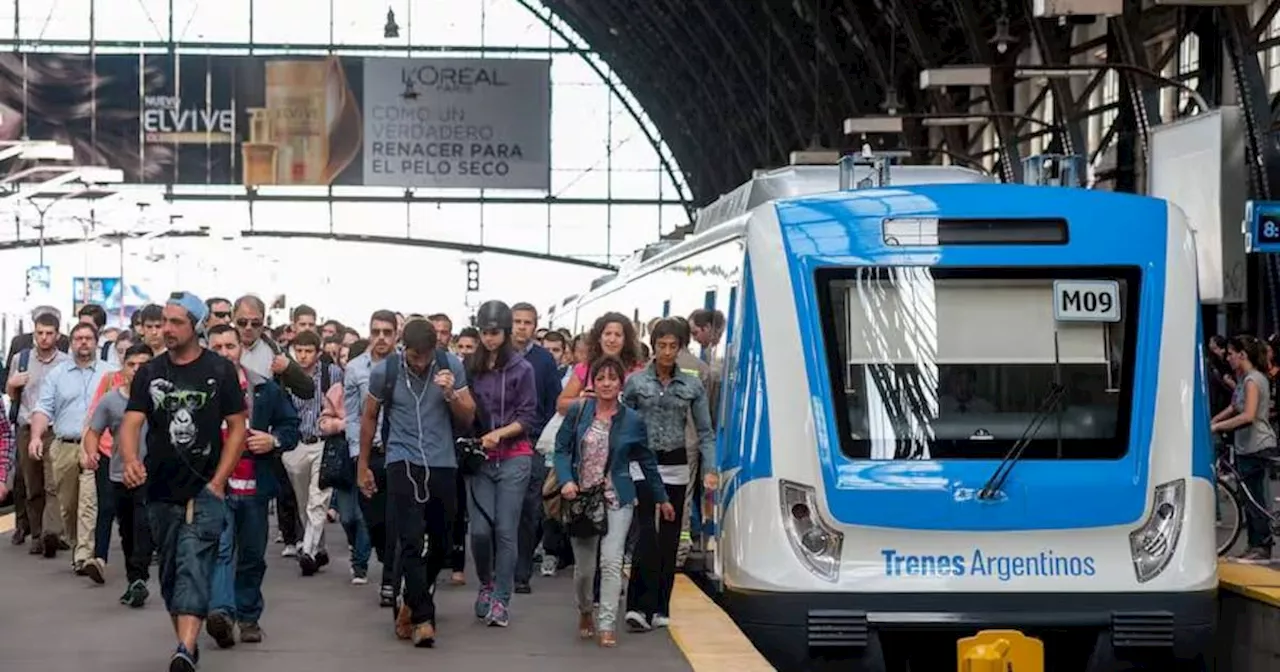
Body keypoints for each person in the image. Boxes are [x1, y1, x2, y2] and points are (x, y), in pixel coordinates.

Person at [118, 292, 247, 672]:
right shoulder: (150, 372)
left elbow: (238, 427)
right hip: (159, 488)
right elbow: (131, 421)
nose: (167, 330)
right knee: (172, 574)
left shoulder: (220, 371)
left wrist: (220, 481)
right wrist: (128, 460)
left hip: (204, 488)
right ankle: (184, 644)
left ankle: (186, 649)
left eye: (176, 323)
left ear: (196, 326)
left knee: (194, 563)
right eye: (164, 322)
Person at [358, 318, 475, 647]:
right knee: (409, 539)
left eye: (425, 356)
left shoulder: (451, 365)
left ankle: (410, 600)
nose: (420, 363)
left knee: (441, 541)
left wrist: (451, 393)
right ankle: (424, 618)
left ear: (435, 349)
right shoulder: (387, 371)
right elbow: (369, 416)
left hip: (442, 461)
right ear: (402, 347)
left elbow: (468, 417)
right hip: (401, 459)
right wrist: (363, 466)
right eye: (413, 356)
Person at [554, 355, 672, 647]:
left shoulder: (632, 420)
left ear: (621, 382)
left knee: (611, 562)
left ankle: (607, 624)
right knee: (584, 571)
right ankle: (585, 611)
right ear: (593, 381)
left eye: (613, 378)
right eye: (601, 378)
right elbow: (561, 448)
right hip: (581, 499)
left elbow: (647, 461)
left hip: (618, 498)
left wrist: (662, 498)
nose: (607, 384)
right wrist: (567, 479)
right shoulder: (579, 411)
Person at [465, 300, 537, 626]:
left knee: (506, 530)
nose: (489, 338)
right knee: (480, 531)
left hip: (515, 456)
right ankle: (486, 583)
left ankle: (501, 600)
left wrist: (499, 433)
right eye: (485, 332)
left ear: (506, 333)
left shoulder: (523, 369)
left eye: (495, 332)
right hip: (480, 458)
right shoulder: (469, 367)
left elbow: (528, 416)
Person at [1211, 334, 1276, 563]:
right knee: (1248, 497)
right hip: (1244, 446)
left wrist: (1218, 426)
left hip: (1257, 445)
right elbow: (1232, 407)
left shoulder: (1253, 380)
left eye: (1230, 353)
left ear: (1242, 354)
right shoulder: (1243, 379)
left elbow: (1248, 415)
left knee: (1255, 497)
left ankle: (1262, 547)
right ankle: (1255, 545)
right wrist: (1211, 422)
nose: (1227, 357)